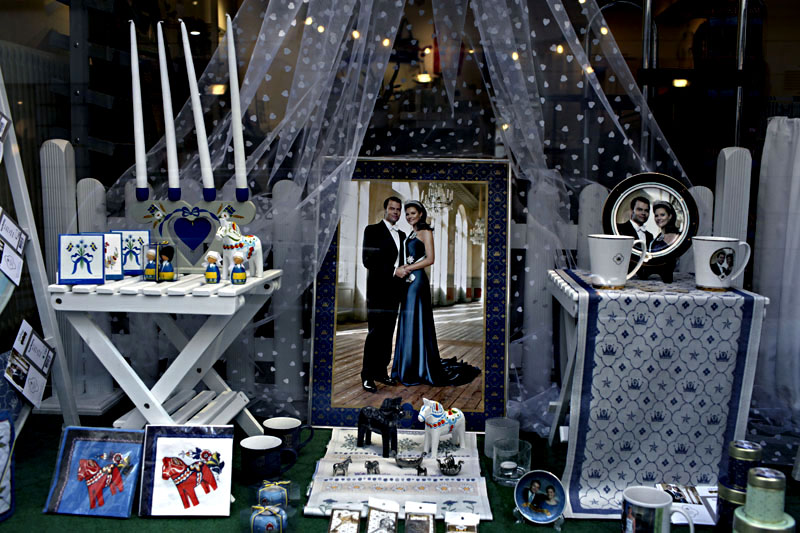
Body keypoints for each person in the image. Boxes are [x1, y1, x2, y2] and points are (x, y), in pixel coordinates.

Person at [390, 200, 481, 387]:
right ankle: (408, 366)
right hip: (408, 281)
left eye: (413, 213)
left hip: (417, 281)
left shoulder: (426, 231)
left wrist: (408, 268)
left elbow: (430, 259)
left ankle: (416, 368)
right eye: (407, 214)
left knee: (416, 320)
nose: (409, 217)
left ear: (421, 214)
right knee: (408, 320)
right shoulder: (411, 233)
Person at [361, 197, 405, 393]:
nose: (395, 212)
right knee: (375, 334)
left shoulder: (402, 235)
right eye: (392, 208)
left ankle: (381, 372)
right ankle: (367, 376)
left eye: (398, 209)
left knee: (388, 333)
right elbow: (368, 260)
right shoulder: (372, 230)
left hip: (394, 292)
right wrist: (393, 271)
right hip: (377, 291)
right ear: (385, 209)